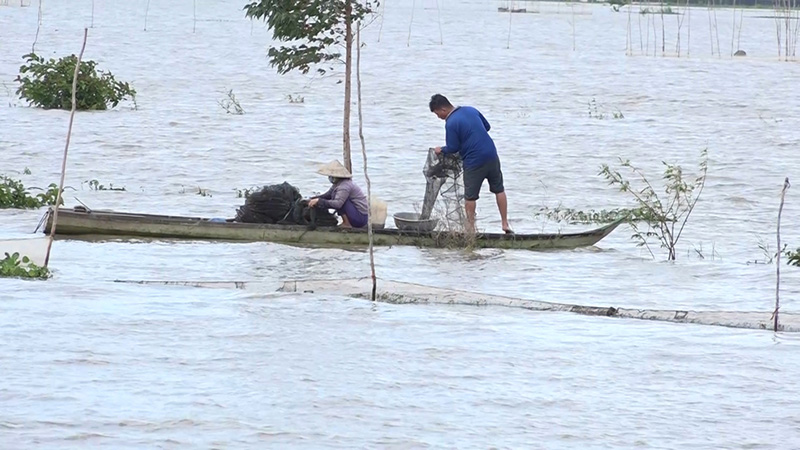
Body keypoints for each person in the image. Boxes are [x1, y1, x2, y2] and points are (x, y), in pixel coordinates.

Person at [429, 93, 512, 234]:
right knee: (499, 189)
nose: (439, 118)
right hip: (492, 155)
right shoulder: (470, 109)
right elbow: (487, 127)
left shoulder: (451, 123)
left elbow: (453, 147)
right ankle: (505, 224)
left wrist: (440, 150)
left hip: (474, 161)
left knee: (470, 196)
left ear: (443, 109)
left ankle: (471, 229)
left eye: (438, 114)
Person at [308, 160, 370, 229]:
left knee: (338, 199)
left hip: (360, 218)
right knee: (333, 196)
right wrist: (313, 199)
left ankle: (347, 223)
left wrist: (319, 201)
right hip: (356, 214)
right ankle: (346, 222)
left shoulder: (344, 186)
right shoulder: (337, 184)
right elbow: (328, 195)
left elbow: (338, 204)